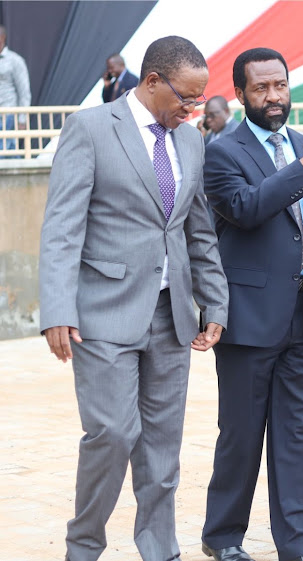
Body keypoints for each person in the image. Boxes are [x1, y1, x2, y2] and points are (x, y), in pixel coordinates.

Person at [39, 35, 229, 561]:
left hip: (172, 316)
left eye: (199, 100)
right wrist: (57, 307)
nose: (194, 109)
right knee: (113, 434)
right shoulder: (91, 129)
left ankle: (159, 547)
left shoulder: (191, 142)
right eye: (186, 98)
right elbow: (61, 227)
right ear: (151, 82)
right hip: (103, 312)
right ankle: (84, 545)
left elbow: (199, 231)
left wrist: (215, 302)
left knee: (162, 446)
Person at [200, 47, 303, 561]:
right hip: (249, 318)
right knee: (241, 436)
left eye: (280, 86)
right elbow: (244, 209)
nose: (273, 97)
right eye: (261, 88)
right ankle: (222, 538)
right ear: (241, 94)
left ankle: (299, 544)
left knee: (295, 435)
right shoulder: (222, 151)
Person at [0, 24, 30, 153]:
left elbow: (24, 92)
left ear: (2, 38)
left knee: (7, 151)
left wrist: (22, 119)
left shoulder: (15, 60)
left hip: (8, 114)